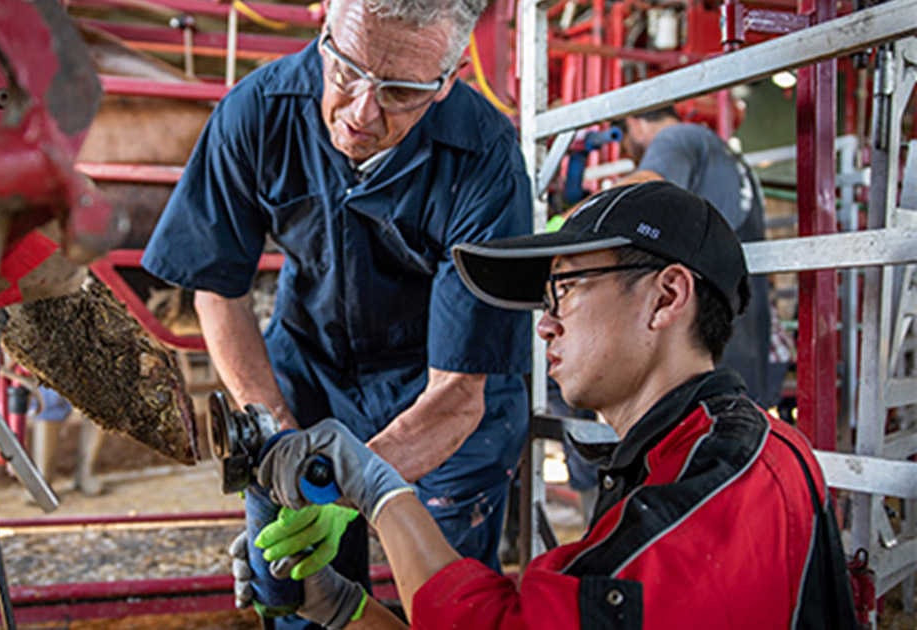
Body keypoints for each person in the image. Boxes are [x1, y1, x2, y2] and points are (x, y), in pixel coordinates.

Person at [243, 182, 856, 629]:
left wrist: (382, 495)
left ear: (667, 296)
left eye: (565, 288)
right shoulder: (684, 461)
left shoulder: (718, 485)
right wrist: (342, 609)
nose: (546, 326)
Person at [142, 0, 533, 622]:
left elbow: (459, 394)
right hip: (307, 369)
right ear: (324, 28)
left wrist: (346, 489)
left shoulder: (487, 157)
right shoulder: (256, 110)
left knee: (451, 604)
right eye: (347, 69)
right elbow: (217, 288)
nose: (360, 114)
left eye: (401, 91)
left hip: (445, 393)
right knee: (298, 594)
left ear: (450, 76)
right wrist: (277, 435)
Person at [614, 106, 780, 408]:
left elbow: (644, 186)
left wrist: (568, 222)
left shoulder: (674, 137)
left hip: (710, 334)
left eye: (624, 145)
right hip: (745, 331)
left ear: (634, 123)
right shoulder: (725, 154)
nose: (630, 154)